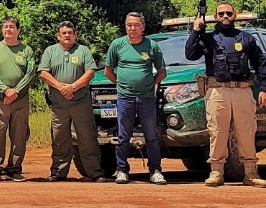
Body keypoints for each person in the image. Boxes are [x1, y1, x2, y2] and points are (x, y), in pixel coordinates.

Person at [185, 3, 266, 188]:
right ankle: (216, 172)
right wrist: (195, 31)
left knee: (246, 131)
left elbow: (260, 62)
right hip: (217, 91)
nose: (225, 16)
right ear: (215, 17)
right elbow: (190, 54)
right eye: (221, 13)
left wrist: (264, 88)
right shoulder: (208, 39)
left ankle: (251, 173)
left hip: (243, 90)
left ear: (235, 15)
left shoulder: (246, 38)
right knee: (217, 131)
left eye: (228, 13)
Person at [104, 12, 168, 185]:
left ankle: (155, 170)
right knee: (124, 136)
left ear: (143, 27)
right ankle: (122, 170)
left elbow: (162, 72)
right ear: (125, 26)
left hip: (147, 98)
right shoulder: (117, 45)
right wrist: (120, 84)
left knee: (151, 136)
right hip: (125, 98)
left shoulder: (152, 46)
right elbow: (108, 71)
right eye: (129, 25)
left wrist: (149, 85)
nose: (133, 28)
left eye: (136, 25)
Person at [38, 23, 103, 181]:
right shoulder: (50, 51)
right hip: (58, 104)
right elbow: (43, 73)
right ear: (58, 36)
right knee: (59, 138)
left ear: (76, 35)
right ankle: (58, 172)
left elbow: (90, 72)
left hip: (80, 103)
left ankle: (94, 173)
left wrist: (73, 87)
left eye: (70, 33)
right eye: (64, 33)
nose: (67, 35)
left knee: (87, 137)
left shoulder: (83, 51)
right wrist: (61, 87)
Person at [0, 17, 35, 182]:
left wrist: (16, 92)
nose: (8, 30)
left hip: (20, 100)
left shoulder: (26, 50)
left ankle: (14, 168)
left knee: (19, 134)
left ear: (18, 30)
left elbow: (30, 74)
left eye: (12, 27)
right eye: (5, 27)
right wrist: (6, 91)